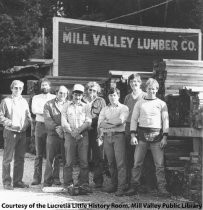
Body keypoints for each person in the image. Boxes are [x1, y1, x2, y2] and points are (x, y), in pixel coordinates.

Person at [126, 78, 169, 197]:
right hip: (141, 136)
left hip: (157, 137)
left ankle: (162, 188)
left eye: (154, 89)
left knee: (159, 164)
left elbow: (165, 121)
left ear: (157, 90)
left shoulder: (162, 104)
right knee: (137, 163)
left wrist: (165, 137)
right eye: (149, 89)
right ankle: (134, 186)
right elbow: (134, 119)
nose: (152, 91)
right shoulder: (140, 103)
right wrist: (133, 135)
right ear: (146, 89)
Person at [98, 87, 129, 196]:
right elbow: (100, 123)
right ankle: (113, 184)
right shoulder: (105, 109)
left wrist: (108, 122)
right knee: (111, 162)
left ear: (118, 96)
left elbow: (121, 121)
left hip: (118, 136)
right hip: (107, 137)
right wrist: (111, 123)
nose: (112, 97)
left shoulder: (123, 108)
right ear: (108, 97)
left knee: (120, 163)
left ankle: (121, 187)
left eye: (114, 95)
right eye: (110, 95)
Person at [0, 80, 31, 190]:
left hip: (21, 133)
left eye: (20, 88)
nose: (18, 90)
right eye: (16, 88)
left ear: (22, 89)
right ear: (11, 88)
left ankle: (17, 181)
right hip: (10, 132)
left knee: (20, 158)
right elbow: (1, 117)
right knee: (8, 158)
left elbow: (28, 116)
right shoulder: (6, 101)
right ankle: (7, 182)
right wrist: (12, 124)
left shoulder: (24, 101)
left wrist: (26, 125)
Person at [61, 84, 92, 190]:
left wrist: (78, 131)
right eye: (75, 94)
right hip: (70, 135)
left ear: (82, 95)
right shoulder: (66, 105)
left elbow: (88, 121)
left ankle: (84, 183)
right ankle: (68, 183)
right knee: (69, 161)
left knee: (84, 161)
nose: (77, 97)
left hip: (83, 135)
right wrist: (73, 132)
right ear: (72, 94)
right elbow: (64, 121)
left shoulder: (86, 106)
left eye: (79, 94)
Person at [31, 78, 60, 185]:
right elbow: (34, 110)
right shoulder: (36, 98)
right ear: (40, 86)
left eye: (46, 85)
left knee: (54, 153)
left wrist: (44, 112)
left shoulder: (54, 97)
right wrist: (48, 112)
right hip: (40, 125)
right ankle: (36, 178)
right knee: (38, 153)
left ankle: (55, 177)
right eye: (43, 85)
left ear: (50, 86)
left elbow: (57, 112)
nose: (44, 87)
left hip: (52, 127)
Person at [43, 86, 69, 187]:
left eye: (65, 93)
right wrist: (56, 128)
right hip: (53, 134)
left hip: (66, 135)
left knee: (65, 158)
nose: (63, 95)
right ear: (56, 93)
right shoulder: (49, 104)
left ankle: (59, 179)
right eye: (60, 93)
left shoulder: (69, 104)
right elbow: (47, 119)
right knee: (50, 158)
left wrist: (65, 129)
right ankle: (47, 180)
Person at [124, 73, 146, 186]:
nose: (134, 83)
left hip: (141, 128)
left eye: (136, 81)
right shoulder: (127, 97)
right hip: (128, 128)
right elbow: (124, 113)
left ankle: (140, 183)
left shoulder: (145, 96)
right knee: (129, 156)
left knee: (140, 157)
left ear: (140, 83)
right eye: (132, 82)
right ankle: (129, 182)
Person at [83, 81, 106, 188]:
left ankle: (98, 181)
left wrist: (91, 123)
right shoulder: (82, 100)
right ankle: (84, 181)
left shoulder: (101, 101)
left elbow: (103, 115)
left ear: (98, 91)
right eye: (90, 90)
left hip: (96, 131)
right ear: (87, 90)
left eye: (94, 90)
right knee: (84, 156)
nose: (92, 92)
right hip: (83, 131)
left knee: (98, 156)